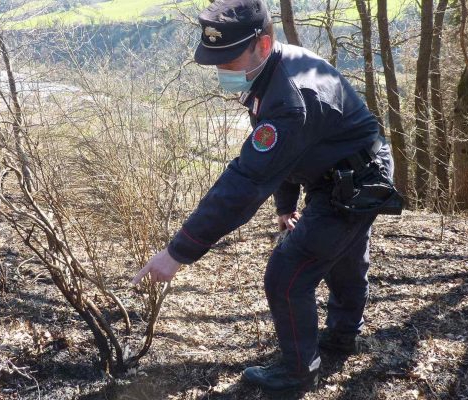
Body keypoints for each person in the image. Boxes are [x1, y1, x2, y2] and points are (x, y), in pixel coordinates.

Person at [132, 0, 402, 393]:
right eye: (216, 61)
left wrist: (177, 253)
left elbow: (244, 183)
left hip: (356, 180)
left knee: (287, 276)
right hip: (345, 168)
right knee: (342, 252)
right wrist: (287, 205)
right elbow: (296, 152)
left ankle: (298, 373)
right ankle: (342, 337)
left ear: (262, 43)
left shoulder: (290, 95)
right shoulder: (273, 70)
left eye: (228, 59)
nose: (222, 70)